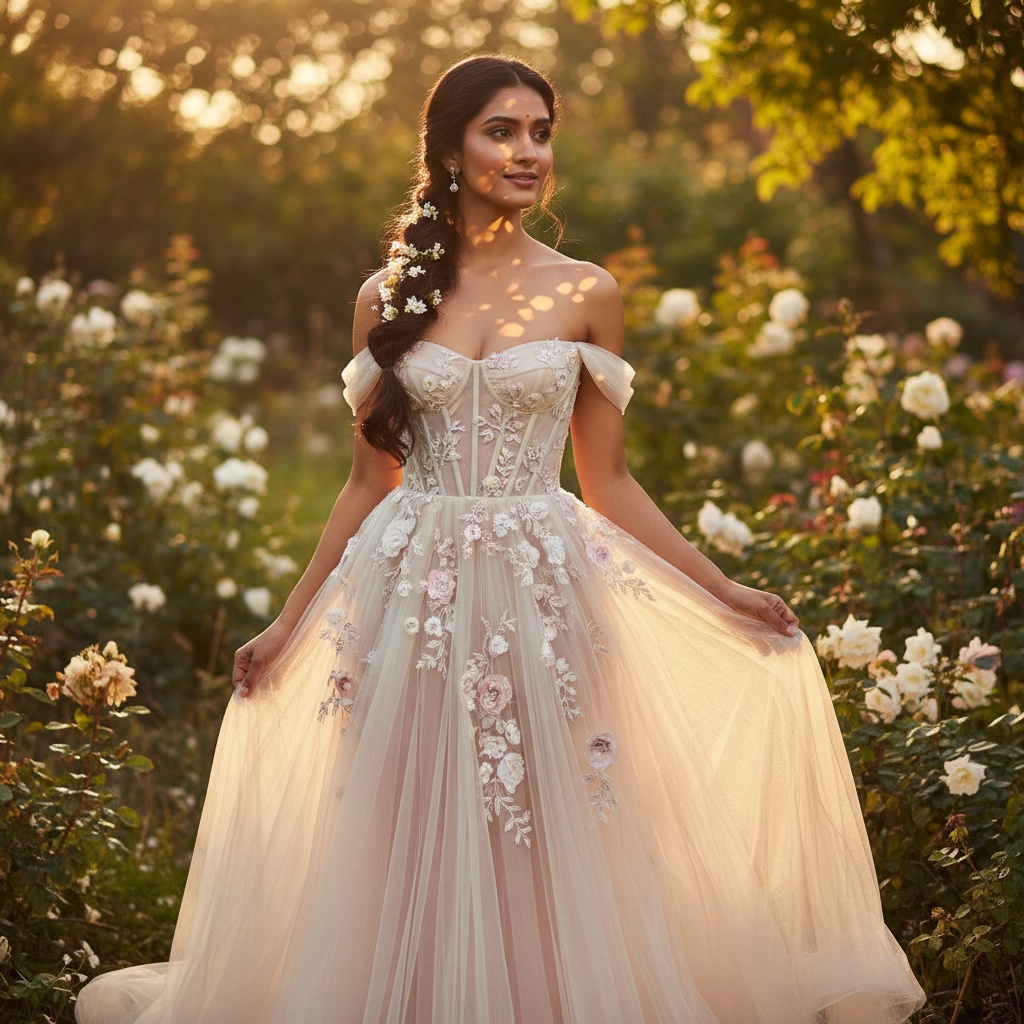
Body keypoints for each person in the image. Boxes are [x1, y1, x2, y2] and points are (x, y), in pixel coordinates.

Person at [76, 54, 927, 1024]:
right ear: (448, 150)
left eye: (540, 131)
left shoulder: (586, 292)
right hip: (408, 596)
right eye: (502, 130)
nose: (528, 151)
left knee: (546, 814)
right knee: (400, 813)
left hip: (541, 586)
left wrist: (724, 587)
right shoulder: (384, 297)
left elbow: (607, 482)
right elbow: (367, 481)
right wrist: (286, 620)